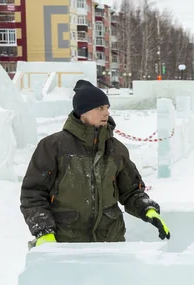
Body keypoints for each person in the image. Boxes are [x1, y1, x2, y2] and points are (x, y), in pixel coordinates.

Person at [20, 80, 170, 247]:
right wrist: (44, 232)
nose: (106, 113)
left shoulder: (115, 150)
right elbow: (33, 193)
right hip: (64, 245)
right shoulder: (53, 146)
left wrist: (147, 209)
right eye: (100, 108)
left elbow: (131, 191)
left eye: (107, 108)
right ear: (82, 111)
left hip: (110, 242)